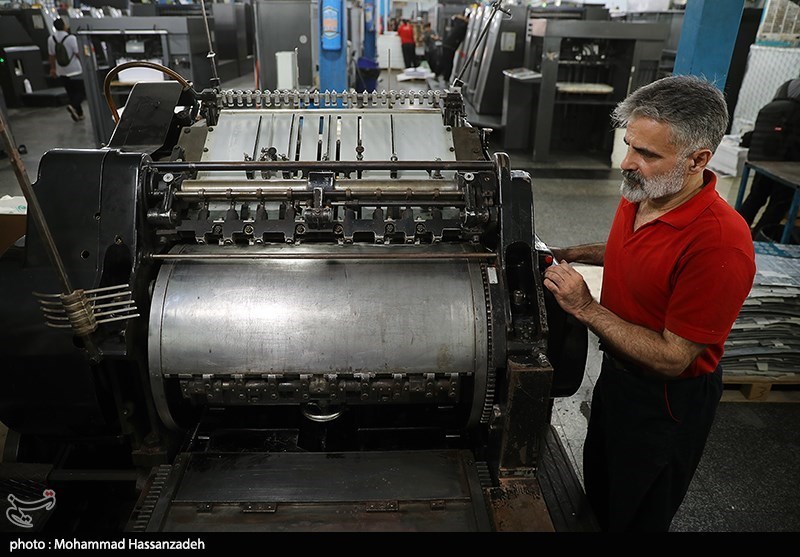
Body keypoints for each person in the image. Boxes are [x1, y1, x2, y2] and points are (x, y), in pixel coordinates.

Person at [543, 75, 756, 532]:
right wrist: (574, 252)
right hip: (617, 376)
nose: (626, 163)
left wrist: (585, 307)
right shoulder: (647, 191)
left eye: (646, 154)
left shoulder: (719, 243)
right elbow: (635, 250)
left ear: (698, 159)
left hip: (663, 403)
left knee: (636, 511)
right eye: (629, 145)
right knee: (600, 491)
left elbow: (673, 358)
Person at [737, 77, 800, 240]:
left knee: (756, 195)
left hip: (764, 151)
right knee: (779, 203)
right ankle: (757, 239)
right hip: (788, 156)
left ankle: (734, 232)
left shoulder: (788, 85)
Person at [48, 17, 85, 122]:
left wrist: (53, 69)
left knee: (71, 92)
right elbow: (78, 53)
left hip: (62, 71)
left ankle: (79, 114)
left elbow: (51, 56)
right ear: (64, 26)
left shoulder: (51, 39)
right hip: (75, 70)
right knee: (81, 92)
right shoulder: (71, 38)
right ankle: (73, 106)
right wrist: (84, 66)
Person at [437, 13, 468, 84]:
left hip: (447, 44)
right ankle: (445, 78)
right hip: (451, 46)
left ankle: (439, 75)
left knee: (444, 60)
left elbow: (454, 18)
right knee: (449, 62)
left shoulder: (459, 23)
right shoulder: (463, 25)